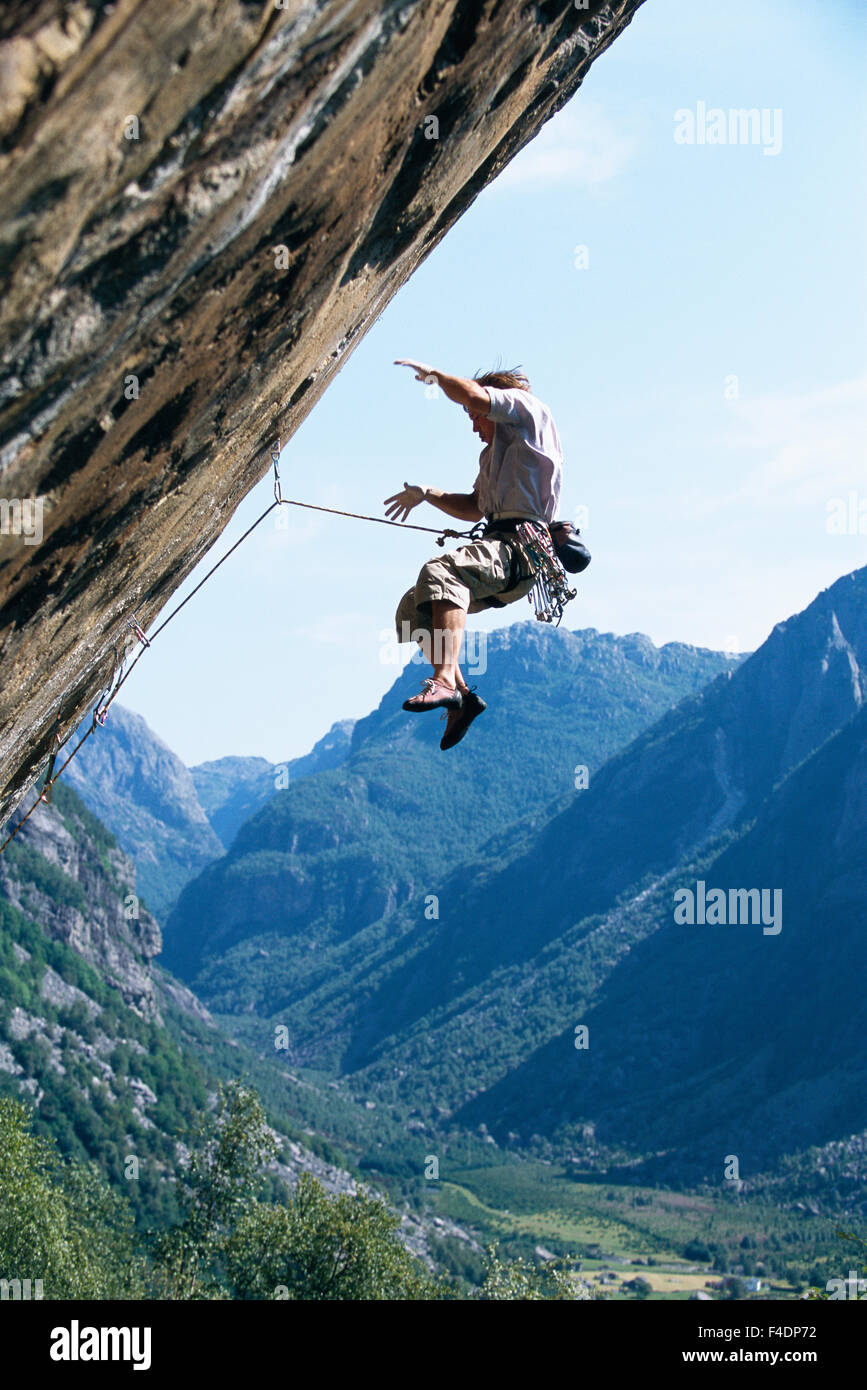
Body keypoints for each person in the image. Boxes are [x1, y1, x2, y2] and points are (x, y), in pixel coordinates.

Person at [385, 359, 563, 750]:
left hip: (518, 550)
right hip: (500, 551)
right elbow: (472, 507)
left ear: (491, 406)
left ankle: (445, 681)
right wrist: (426, 493)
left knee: (442, 572)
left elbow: (473, 395)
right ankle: (461, 699)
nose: (472, 425)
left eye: (474, 416)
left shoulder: (527, 413)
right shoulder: (492, 456)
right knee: (413, 608)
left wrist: (437, 378)